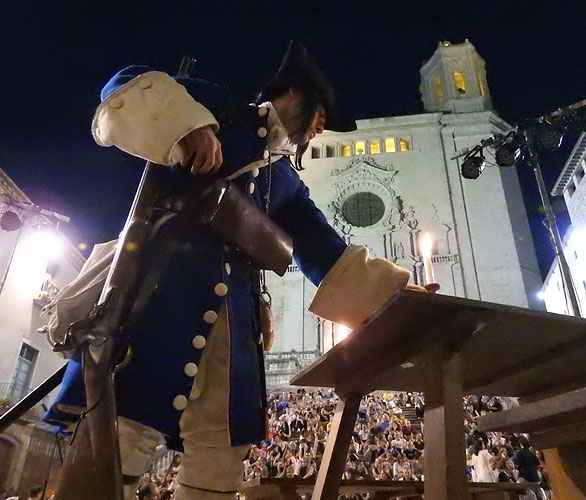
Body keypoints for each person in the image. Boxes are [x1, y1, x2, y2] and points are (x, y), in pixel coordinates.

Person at [45, 40, 415, 500]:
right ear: (294, 94)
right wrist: (188, 125)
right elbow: (124, 84)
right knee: (123, 430)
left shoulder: (286, 183)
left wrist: (399, 296)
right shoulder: (218, 108)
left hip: (234, 325)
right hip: (161, 300)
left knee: (222, 454)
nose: (321, 128)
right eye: (320, 114)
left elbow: (327, 253)